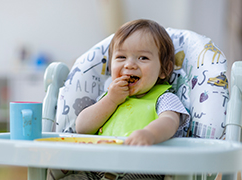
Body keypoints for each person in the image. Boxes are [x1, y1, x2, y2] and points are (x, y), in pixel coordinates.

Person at [47, 19, 189, 180]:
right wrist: (111, 101)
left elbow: (170, 121)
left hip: (142, 168)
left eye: (143, 58)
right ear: (110, 66)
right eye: (121, 57)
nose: (129, 65)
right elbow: (82, 128)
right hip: (95, 169)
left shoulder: (164, 98)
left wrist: (149, 134)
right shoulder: (108, 97)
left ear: (165, 70)